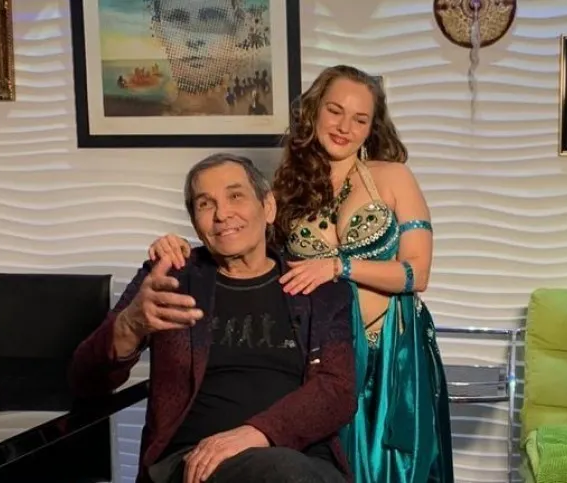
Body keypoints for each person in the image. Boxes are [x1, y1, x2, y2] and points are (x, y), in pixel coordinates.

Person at [148, 65, 454, 483]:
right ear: (313, 111)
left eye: (360, 119)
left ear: (371, 127)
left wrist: (338, 266)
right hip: (323, 356)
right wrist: (175, 246)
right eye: (335, 111)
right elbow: (243, 249)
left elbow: (417, 273)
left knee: (398, 469)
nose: (344, 127)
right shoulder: (287, 188)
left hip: (391, 351)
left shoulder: (394, 177)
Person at [70, 154, 357, 483]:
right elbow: (85, 381)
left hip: (301, 461)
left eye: (236, 196)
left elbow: (337, 390)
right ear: (195, 222)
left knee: (287, 470)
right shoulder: (171, 278)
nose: (222, 214)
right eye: (205, 204)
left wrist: (256, 433)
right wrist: (129, 326)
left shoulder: (317, 289)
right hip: (193, 462)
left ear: (268, 207)